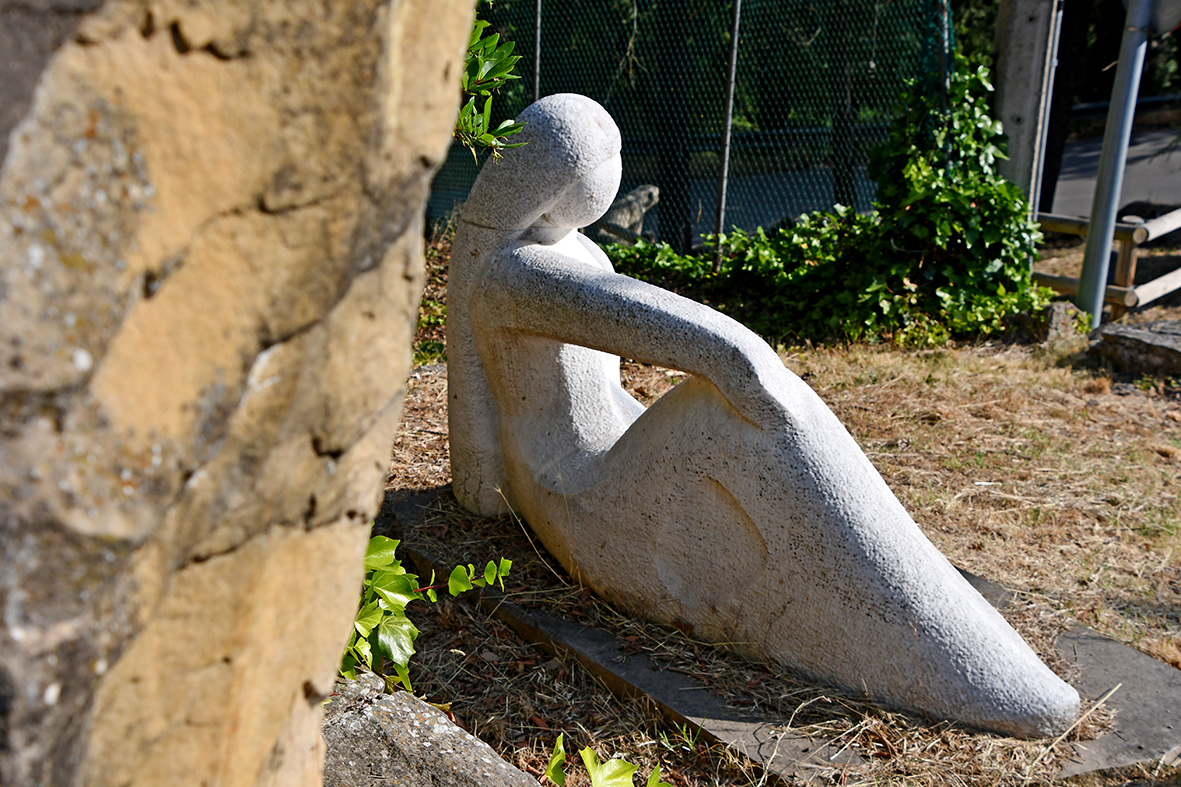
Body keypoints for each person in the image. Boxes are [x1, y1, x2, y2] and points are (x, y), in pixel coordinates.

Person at [447, 94, 1078, 738]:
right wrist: (747, 366)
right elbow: (691, 340)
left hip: (606, 462)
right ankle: (945, 655)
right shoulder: (514, 274)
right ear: (560, 180)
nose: (613, 167)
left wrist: (749, 372)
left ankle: (932, 630)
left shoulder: (571, 254)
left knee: (756, 424)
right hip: (574, 500)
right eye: (598, 156)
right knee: (752, 420)